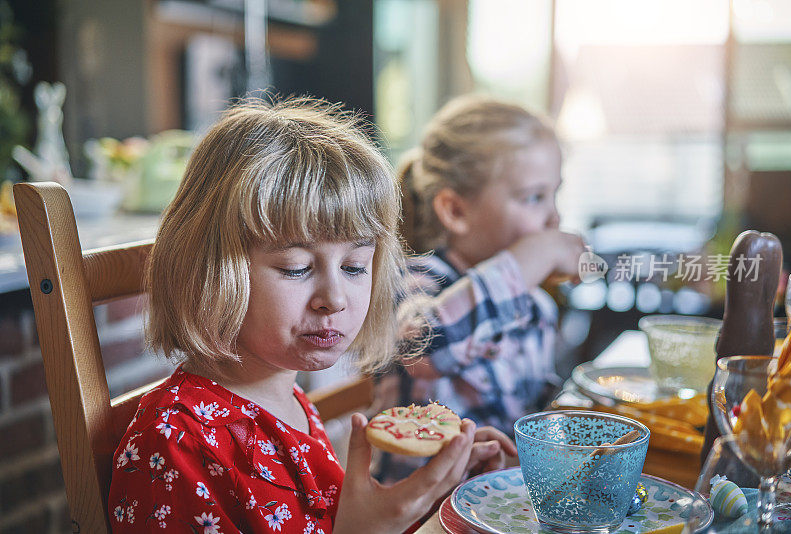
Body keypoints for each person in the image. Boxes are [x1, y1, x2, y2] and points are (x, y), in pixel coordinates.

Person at [107, 97, 516, 533]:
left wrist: (439, 495)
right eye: (296, 268)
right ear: (210, 269)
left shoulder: (288, 399)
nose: (334, 299)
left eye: (355, 266)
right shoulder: (176, 442)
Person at [377, 94, 585, 479]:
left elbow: (529, 407)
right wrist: (531, 259)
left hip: (503, 496)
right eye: (534, 197)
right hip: (422, 510)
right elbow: (426, 349)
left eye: (554, 194)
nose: (554, 216)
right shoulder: (416, 280)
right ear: (455, 211)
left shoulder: (535, 305)